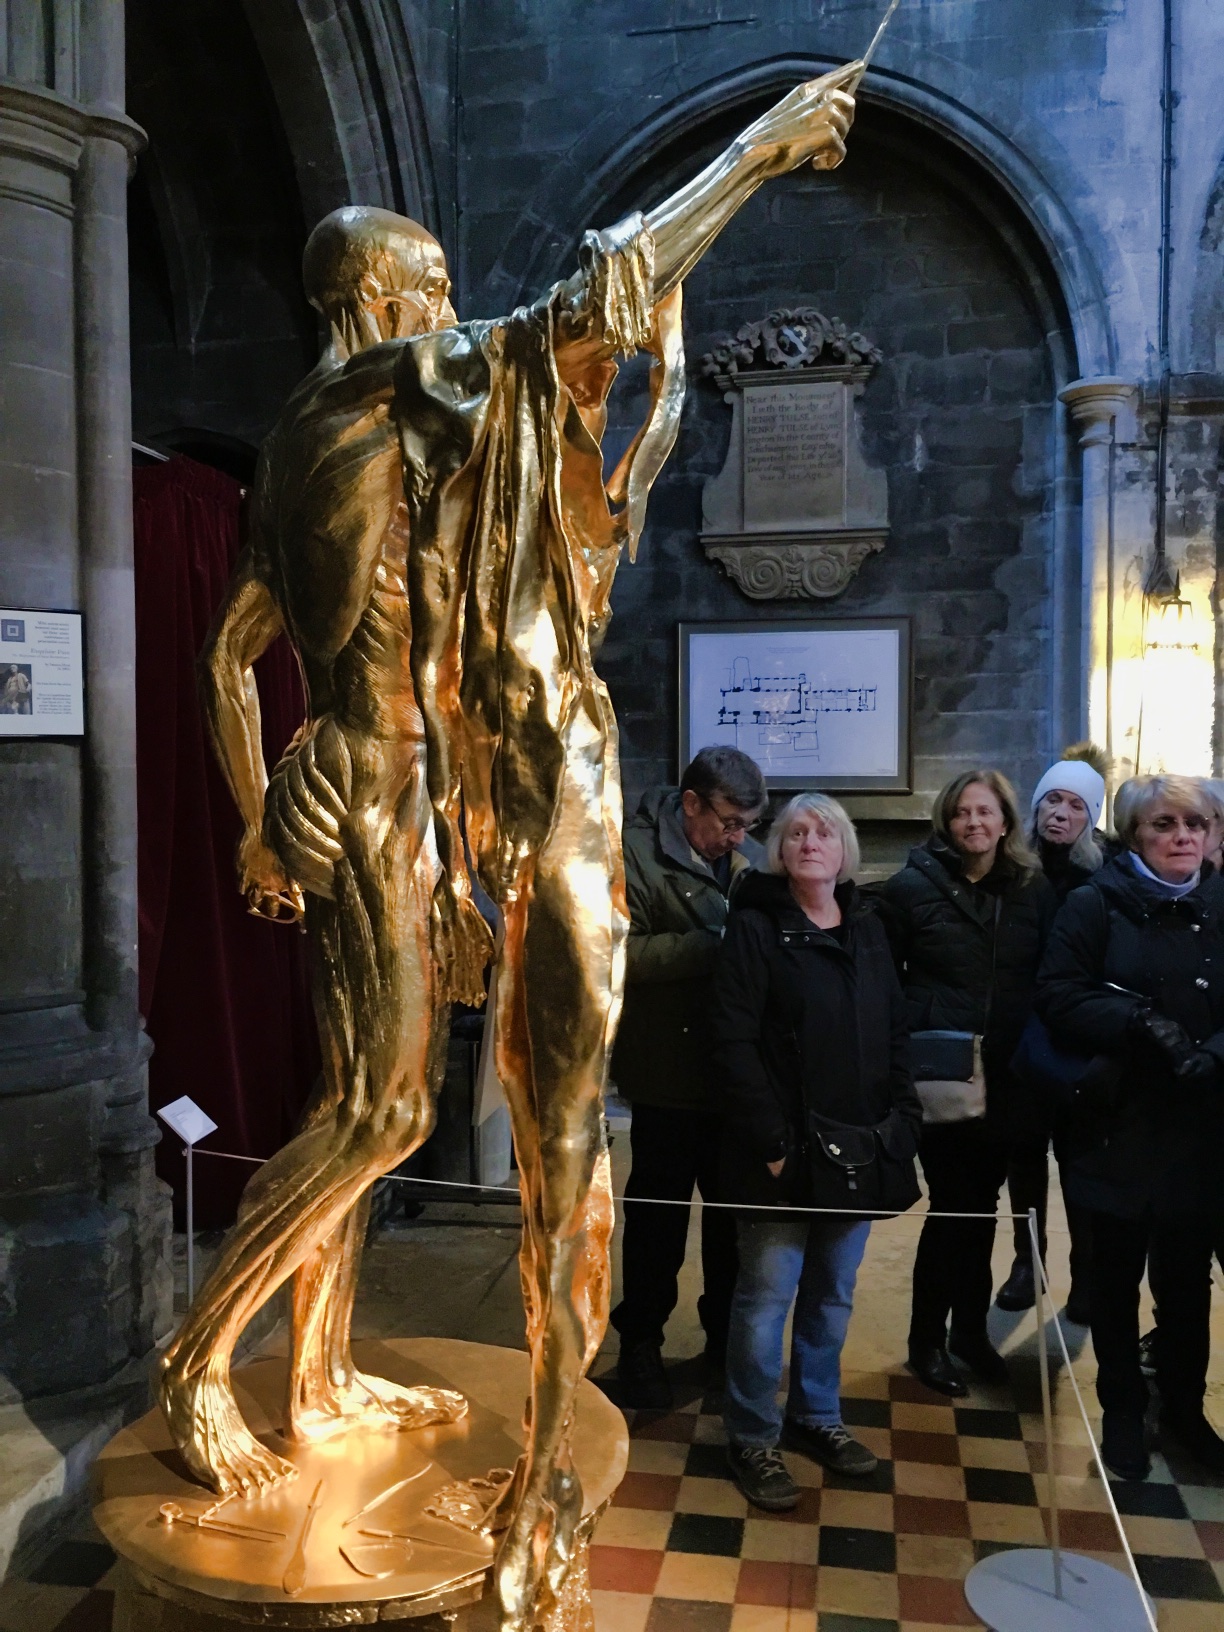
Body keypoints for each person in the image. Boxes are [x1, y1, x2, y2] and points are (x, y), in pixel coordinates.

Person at [168, 69, 859, 1628]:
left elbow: (226, 654)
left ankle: (319, 1371)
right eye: (428, 291)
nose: (444, 314)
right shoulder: (383, 385)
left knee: (358, 1094)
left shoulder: (289, 446)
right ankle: (199, 1358)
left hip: (363, 783)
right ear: (380, 303)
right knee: (385, 1109)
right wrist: (762, 151)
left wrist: (256, 812)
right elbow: (582, 310)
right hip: (381, 789)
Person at [712, 794, 921, 1511]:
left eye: (824, 831)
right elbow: (733, 1039)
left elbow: (894, 1030)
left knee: (832, 1293)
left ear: (845, 849)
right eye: (796, 831)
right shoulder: (755, 927)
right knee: (766, 1298)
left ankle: (816, 1413)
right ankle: (752, 1435)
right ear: (779, 849)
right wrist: (771, 1143)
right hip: (780, 1151)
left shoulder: (867, 927)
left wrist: (904, 1119)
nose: (810, 841)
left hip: (859, 1147)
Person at [1037, 774, 1224, 1480]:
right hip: (1117, 1123)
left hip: (1200, 1130)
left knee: (1187, 1284)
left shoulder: (1221, 902)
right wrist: (1138, 1022)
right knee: (1115, 1282)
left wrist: (1215, 1052)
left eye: (1194, 824)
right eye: (1164, 824)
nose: (1182, 837)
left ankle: (1182, 1410)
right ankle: (1120, 1410)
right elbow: (1058, 994)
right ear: (1135, 834)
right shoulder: (1096, 903)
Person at [879, 770, 1056, 1397]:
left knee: (981, 1209)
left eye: (985, 811)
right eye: (961, 813)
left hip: (1008, 1077)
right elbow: (884, 981)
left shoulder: (1033, 890)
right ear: (946, 823)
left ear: (1006, 821)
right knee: (952, 1208)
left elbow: (1047, 976)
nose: (973, 822)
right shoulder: (911, 889)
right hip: (943, 1075)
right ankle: (927, 1339)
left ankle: (970, 1333)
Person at [610, 746, 766, 1409]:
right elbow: (614, 954)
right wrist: (716, 945)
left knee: (732, 1224)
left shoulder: (745, 862)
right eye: (728, 823)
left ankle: (723, 1343)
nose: (738, 838)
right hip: (666, 1074)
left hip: (732, 1079)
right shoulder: (631, 856)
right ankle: (640, 1347)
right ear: (692, 803)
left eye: (747, 826)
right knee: (657, 1224)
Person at [997, 746, 1108, 1319]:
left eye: (1075, 806)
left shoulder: (1105, 877)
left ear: (1091, 818)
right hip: (1023, 1038)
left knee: (1080, 1162)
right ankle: (1027, 1261)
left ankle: (1085, 1274)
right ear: (1036, 806)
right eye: (1052, 801)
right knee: (1024, 1155)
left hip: (1079, 1040)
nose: (1060, 813)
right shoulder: (1012, 872)